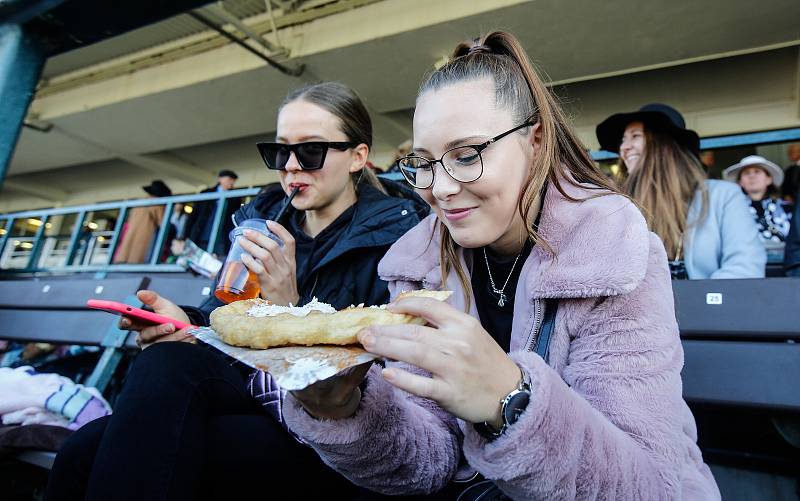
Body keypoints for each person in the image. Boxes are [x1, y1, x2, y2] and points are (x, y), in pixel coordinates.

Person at [283, 31, 720, 500]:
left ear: (535, 141)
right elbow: (427, 462)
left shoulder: (611, 252)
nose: (442, 189)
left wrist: (510, 401)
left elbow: (648, 486)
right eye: (424, 163)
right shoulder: (419, 265)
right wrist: (345, 411)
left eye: (467, 155)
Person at [46, 82, 428, 501]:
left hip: (331, 421)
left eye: (311, 151)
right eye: (281, 152)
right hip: (248, 391)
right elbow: (223, 311)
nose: (292, 167)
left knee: (180, 446)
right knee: (82, 448)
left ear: (358, 157)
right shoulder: (259, 219)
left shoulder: (398, 234)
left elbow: (377, 366)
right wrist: (186, 323)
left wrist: (291, 310)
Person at [597, 103, 765, 279]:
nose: (624, 147)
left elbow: (745, 267)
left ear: (665, 145)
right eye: (623, 140)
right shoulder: (621, 205)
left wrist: (698, 300)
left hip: (706, 304)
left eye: (635, 136)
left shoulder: (723, 196)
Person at [723, 155, 792, 262]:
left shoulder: (787, 208)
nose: (752, 176)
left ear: (769, 179)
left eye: (757, 171)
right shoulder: (730, 211)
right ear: (740, 182)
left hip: (786, 264)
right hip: (746, 265)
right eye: (747, 173)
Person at [177, 170, 241, 256]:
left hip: (222, 238)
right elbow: (193, 216)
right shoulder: (205, 193)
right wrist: (185, 236)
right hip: (201, 234)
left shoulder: (235, 197)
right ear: (220, 179)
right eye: (229, 179)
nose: (232, 182)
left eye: (233, 180)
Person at [112, 180, 172, 264]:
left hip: (127, 248)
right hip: (144, 243)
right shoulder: (158, 204)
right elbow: (163, 224)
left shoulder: (138, 204)